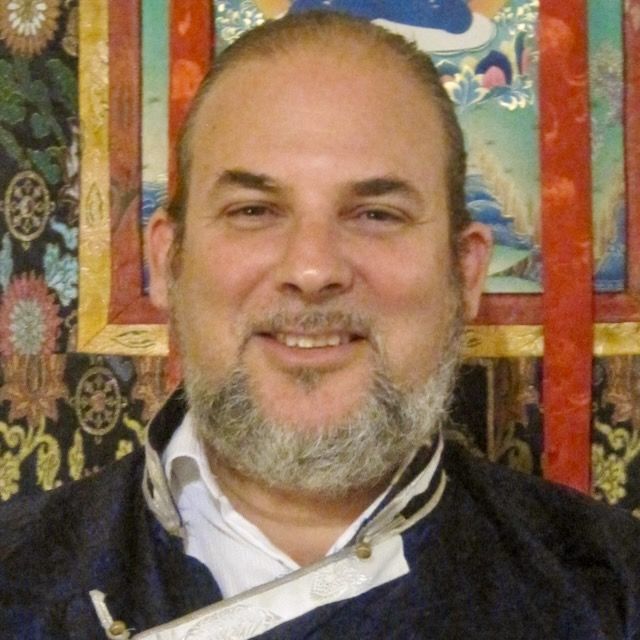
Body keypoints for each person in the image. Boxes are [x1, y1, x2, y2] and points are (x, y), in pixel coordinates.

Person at [1, 10, 640, 640]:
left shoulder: (613, 592)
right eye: (254, 210)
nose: (312, 269)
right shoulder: (17, 577)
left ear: (465, 273)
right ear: (169, 262)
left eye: (376, 215)